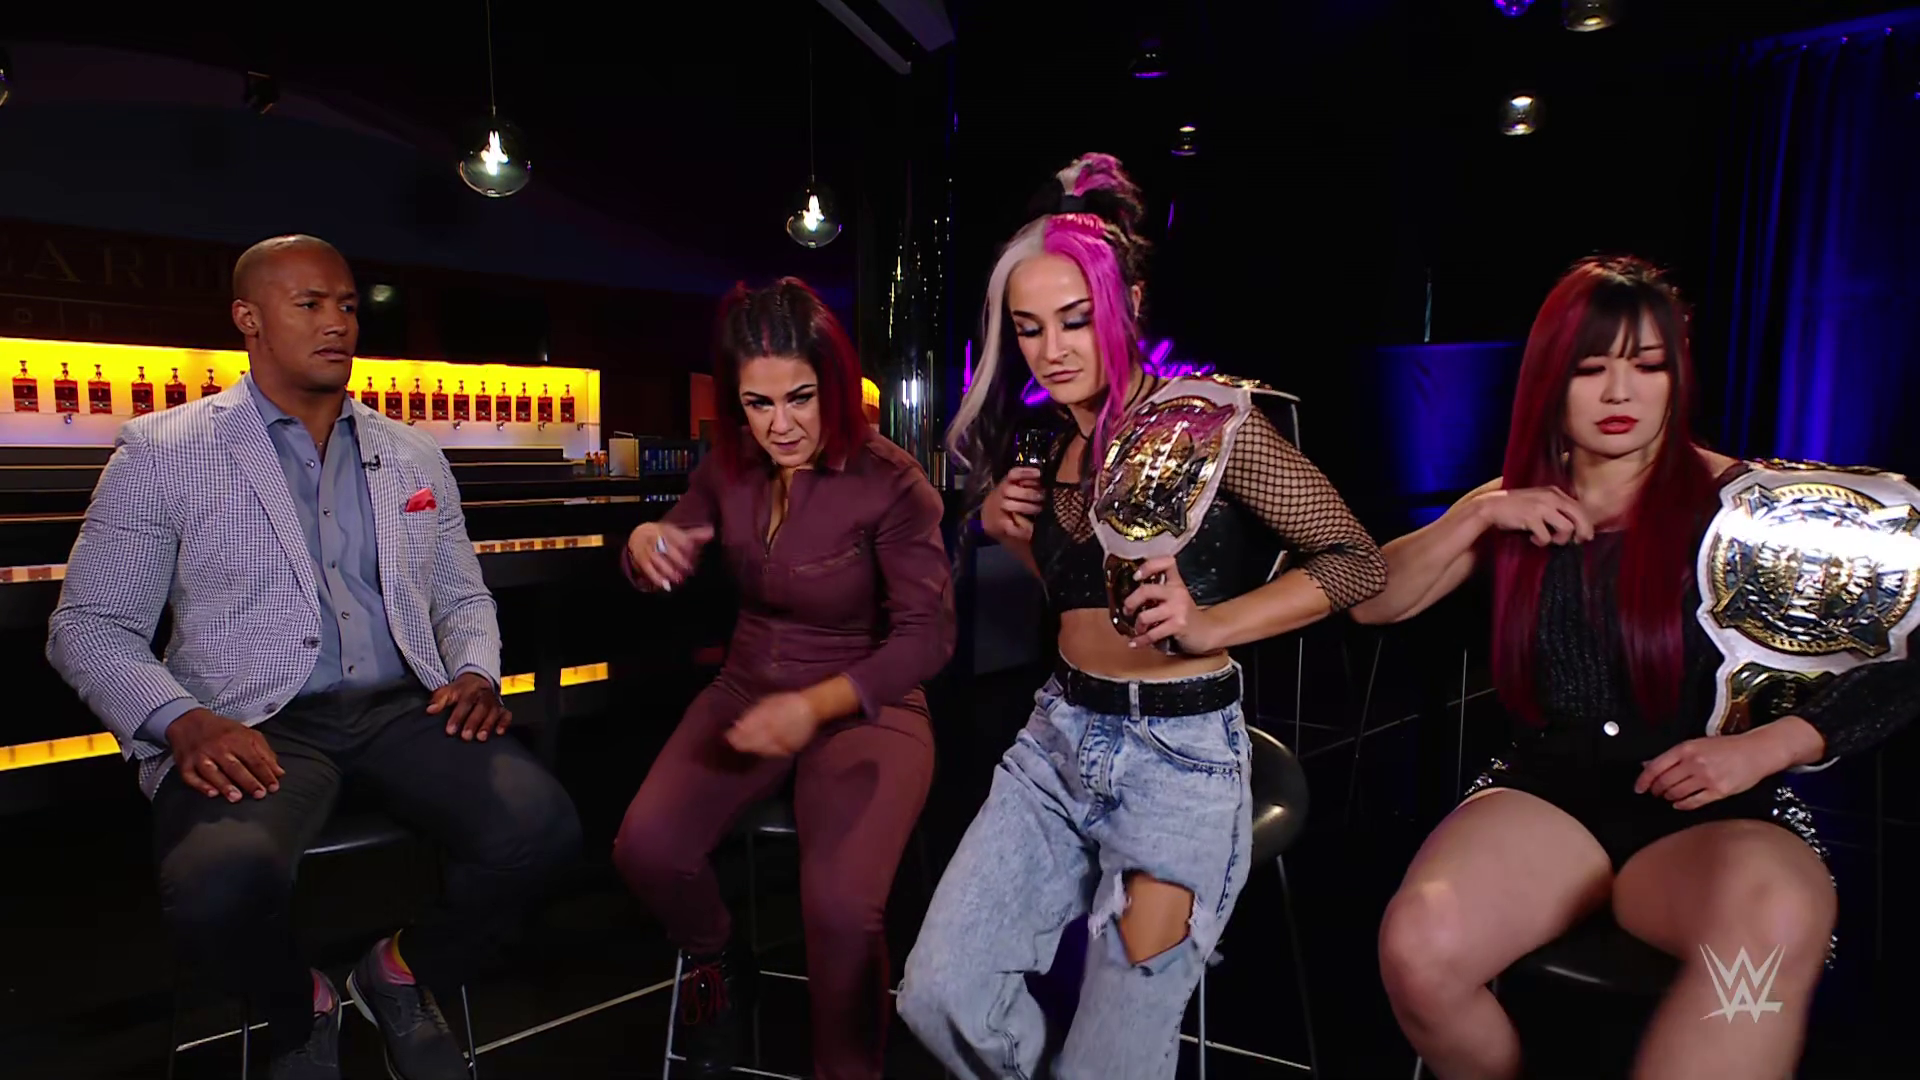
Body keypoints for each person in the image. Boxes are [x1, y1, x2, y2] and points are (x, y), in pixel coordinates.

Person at [1356, 255, 1920, 1080]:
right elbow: (1372, 601)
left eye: (1647, 366)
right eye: (1591, 369)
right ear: (1550, 380)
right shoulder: (1510, 504)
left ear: (1676, 376)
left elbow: (1907, 661)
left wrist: (1769, 747)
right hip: (1548, 799)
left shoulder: (1755, 508)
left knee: (1768, 938)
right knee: (1419, 950)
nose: (1620, 393)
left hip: (1716, 813)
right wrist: (1475, 516)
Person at [896, 153, 1387, 1078]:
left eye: (1075, 319)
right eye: (1030, 328)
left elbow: (1357, 562)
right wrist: (1006, 533)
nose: (1052, 349)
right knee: (940, 996)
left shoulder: (1209, 422)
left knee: (1108, 1064)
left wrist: (1212, 625)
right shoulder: (1044, 444)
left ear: (1125, 304)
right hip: (1055, 741)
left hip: (1179, 763)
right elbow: (1081, 602)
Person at [46, 235, 582, 1080]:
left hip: (405, 708)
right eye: (310, 305)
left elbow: (461, 596)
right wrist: (182, 719)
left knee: (543, 831)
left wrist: (475, 670)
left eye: (347, 306)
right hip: (255, 721)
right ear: (248, 319)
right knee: (216, 888)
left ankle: (399, 973)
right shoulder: (163, 449)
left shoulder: (413, 452)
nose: (338, 323)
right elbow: (89, 624)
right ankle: (302, 1008)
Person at [612, 278, 955, 1080]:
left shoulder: (891, 479)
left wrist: (816, 707)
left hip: (868, 701)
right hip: (748, 686)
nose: (781, 425)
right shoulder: (730, 465)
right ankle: (719, 961)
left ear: (833, 383)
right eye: (757, 404)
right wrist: (643, 544)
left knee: (839, 909)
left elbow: (928, 637)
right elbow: (670, 539)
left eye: (800, 398)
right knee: (647, 849)